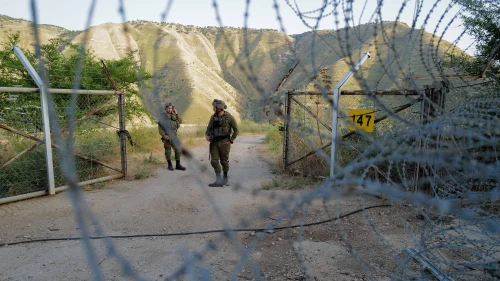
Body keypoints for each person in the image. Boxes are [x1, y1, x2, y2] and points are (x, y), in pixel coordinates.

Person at [205, 99, 238, 187]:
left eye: (214, 107)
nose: (213, 108)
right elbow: (209, 128)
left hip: (224, 142)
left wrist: (231, 140)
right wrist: (207, 135)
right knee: (214, 161)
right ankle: (219, 180)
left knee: (224, 161)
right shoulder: (213, 117)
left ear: (219, 108)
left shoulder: (229, 117)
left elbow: (236, 130)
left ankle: (225, 178)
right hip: (214, 142)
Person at [158, 102, 186, 171]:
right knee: (168, 150)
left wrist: (176, 113)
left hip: (174, 135)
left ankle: (178, 164)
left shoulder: (174, 115)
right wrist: (164, 135)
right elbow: (160, 127)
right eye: (169, 108)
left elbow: (180, 121)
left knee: (178, 149)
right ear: (166, 108)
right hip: (167, 136)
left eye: (171, 108)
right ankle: (169, 164)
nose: (170, 109)